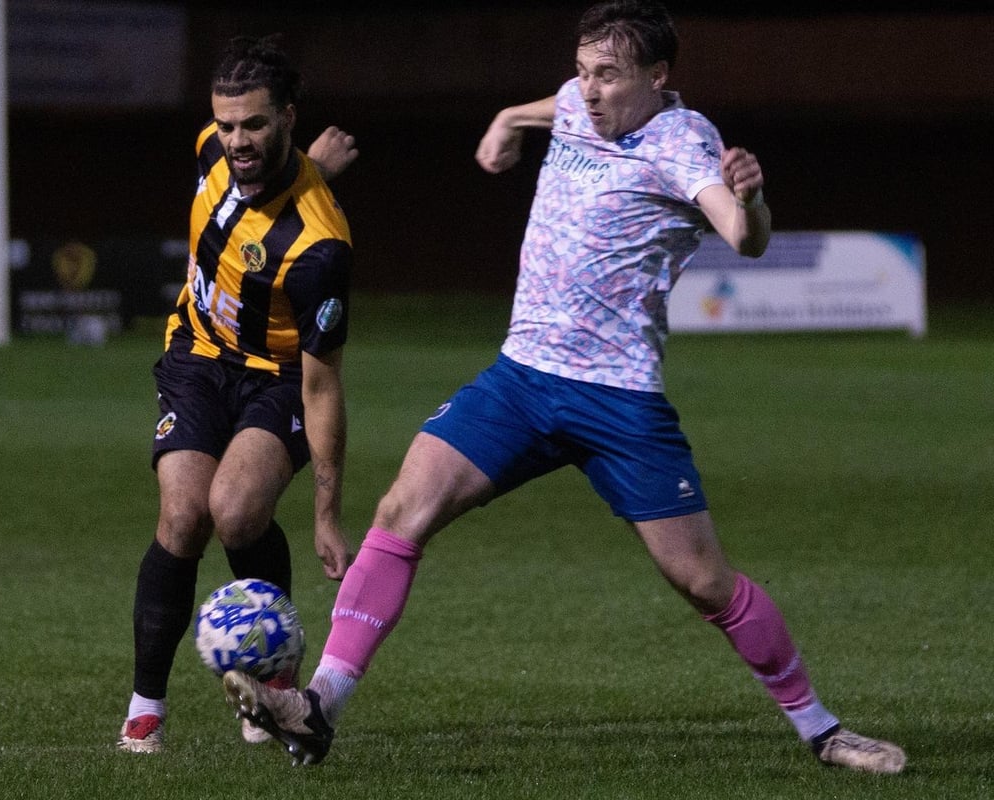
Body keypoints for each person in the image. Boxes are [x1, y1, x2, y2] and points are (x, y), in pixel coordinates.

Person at [220, 0, 908, 775]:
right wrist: (510, 121)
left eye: (607, 76)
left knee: (703, 580)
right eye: (581, 72)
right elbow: (552, 104)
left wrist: (748, 198)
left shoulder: (684, 142)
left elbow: (744, 239)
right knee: (402, 510)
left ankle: (823, 731)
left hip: (616, 398)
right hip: (520, 379)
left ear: (658, 75)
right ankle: (317, 710)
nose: (588, 91)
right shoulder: (581, 105)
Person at [117, 34, 359, 754]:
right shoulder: (209, 152)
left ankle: (275, 683)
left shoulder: (320, 248)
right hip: (195, 356)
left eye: (254, 124)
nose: (237, 141)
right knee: (185, 516)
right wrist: (310, 160)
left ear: (287, 116)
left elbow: (322, 386)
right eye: (226, 125)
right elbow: (237, 184)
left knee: (236, 510)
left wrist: (327, 511)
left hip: (278, 377)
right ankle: (145, 708)